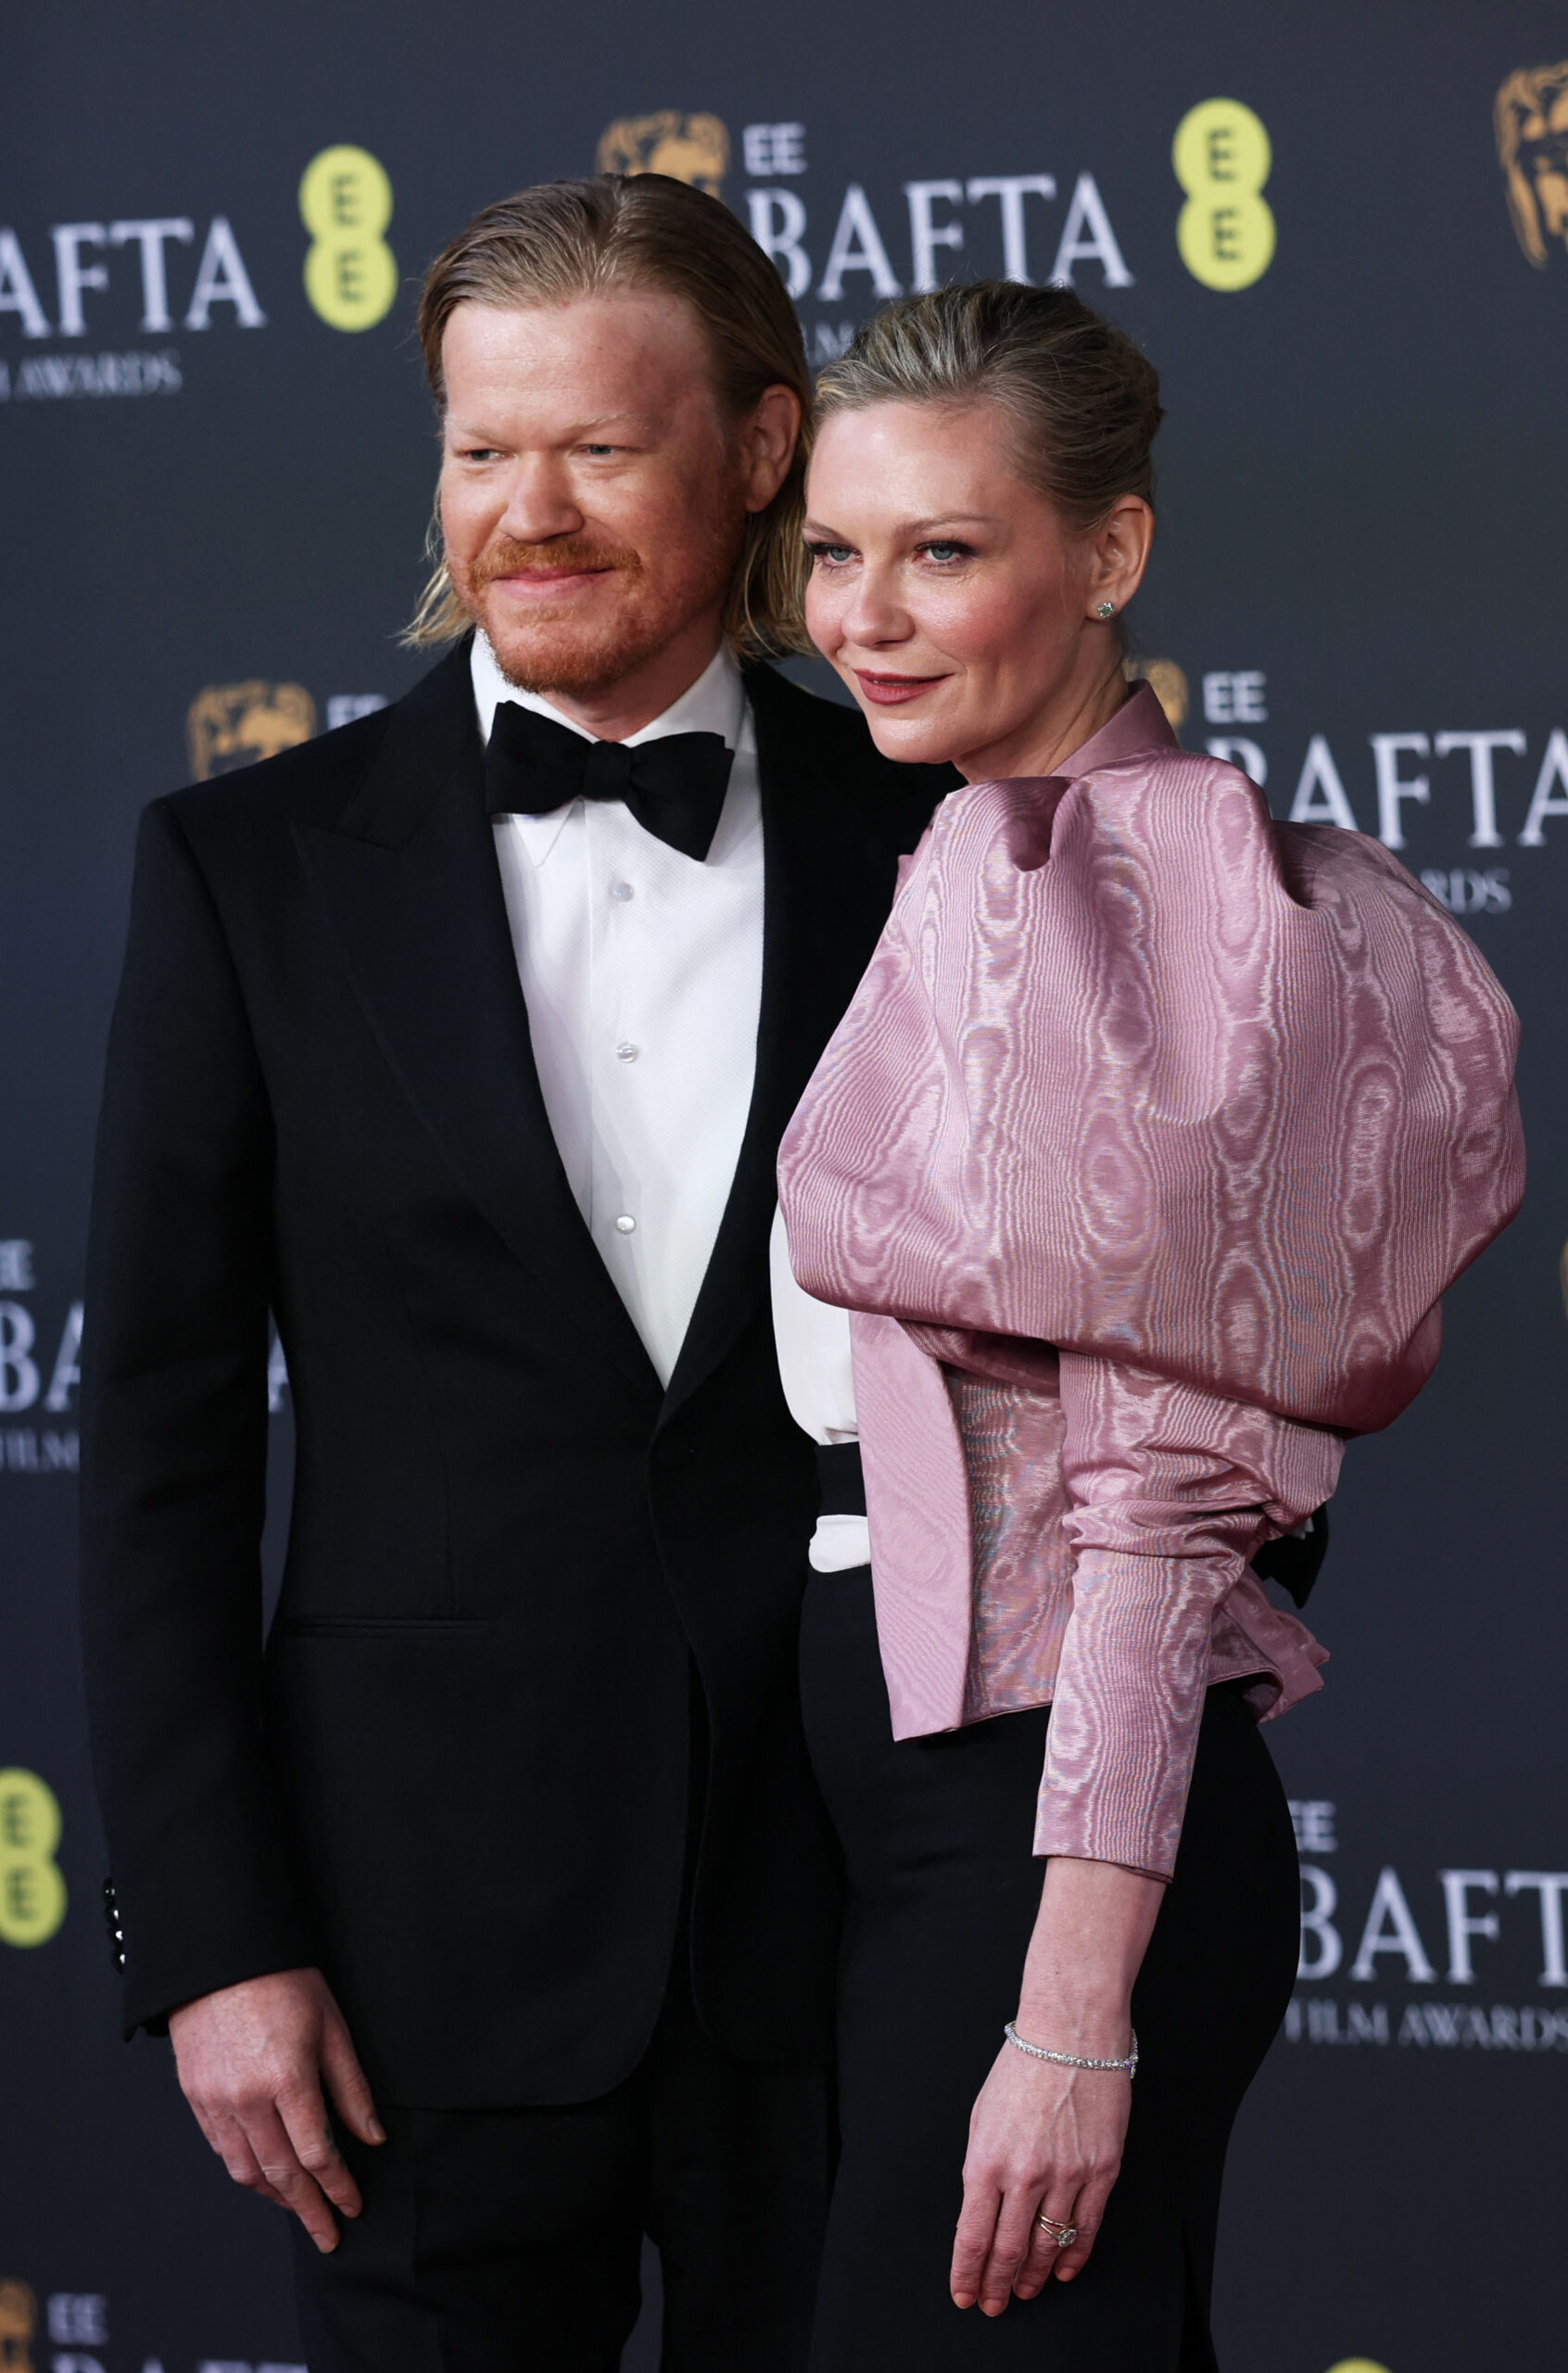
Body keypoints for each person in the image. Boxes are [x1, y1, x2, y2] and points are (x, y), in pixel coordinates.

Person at [78, 176, 953, 2373]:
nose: (527, 514)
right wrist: (211, 1933)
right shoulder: (248, 872)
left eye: (600, 448)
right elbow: (160, 1451)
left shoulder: (945, 838)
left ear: (762, 453)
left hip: (855, 1920)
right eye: (483, 450)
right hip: (404, 1970)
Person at [773, 282, 1524, 2369]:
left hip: (1050, 1846)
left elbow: (1164, 1502)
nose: (866, 614)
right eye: (835, 550)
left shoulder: (1199, 922)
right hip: (899, 1819)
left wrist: (1072, 2001)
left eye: (945, 548)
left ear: (1107, 555)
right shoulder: (970, 849)